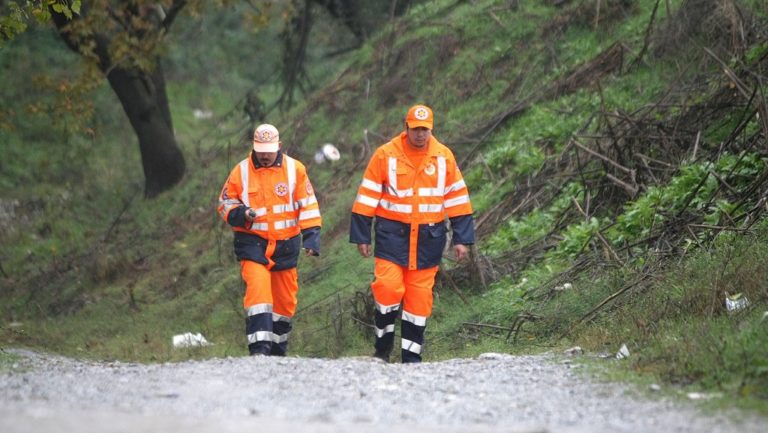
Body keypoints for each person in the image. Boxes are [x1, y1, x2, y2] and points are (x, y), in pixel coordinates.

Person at [349, 104, 475, 363]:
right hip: (391, 235)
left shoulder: (444, 157)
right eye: (416, 129)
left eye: (425, 130)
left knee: (419, 299)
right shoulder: (385, 155)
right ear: (405, 127)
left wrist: (462, 239)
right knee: (387, 287)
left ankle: (411, 358)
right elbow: (367, 195)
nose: (420, 134)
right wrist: (362, 236)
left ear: (431, 129)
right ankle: (382, 350)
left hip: (428, 239)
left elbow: (458, 199)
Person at [218, 123, 322, 356]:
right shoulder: (241, 171)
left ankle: (277, 353)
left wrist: (312, 237)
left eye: (269, 149)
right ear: (253, 147)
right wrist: (241, 214)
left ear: (279, 146)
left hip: (286, 246)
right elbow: (224, 203)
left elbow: (308, 205)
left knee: (284, 303)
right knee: (259, 293)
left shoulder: (295, 169)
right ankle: (259, 352)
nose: (265, 155)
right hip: (252, 243)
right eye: (260, 149)